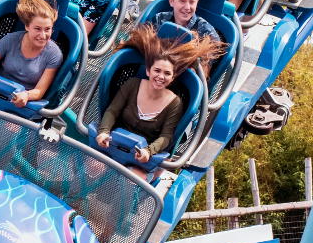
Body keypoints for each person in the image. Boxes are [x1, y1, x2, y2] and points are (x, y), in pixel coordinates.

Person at [94, 25, 223, 180]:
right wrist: (104, 131)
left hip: (141, 158)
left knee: (132, 179)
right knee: (93, 165)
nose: (160, 76)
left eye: (167, 73)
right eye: (157, 71)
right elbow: (112, 111)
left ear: (173, 77)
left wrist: (149, 151)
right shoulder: (133, 84)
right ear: (148, 71)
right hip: (116, 145)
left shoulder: (175, 103)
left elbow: (166, 136)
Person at [0, 0, 62, 109]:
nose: (43, 35)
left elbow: (39, 91)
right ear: (27, 26)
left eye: (47, 29)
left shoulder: (54, 54)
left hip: (18, 105)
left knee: (10, 128)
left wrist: (26, 95)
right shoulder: (11, 40)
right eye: (37, 29)